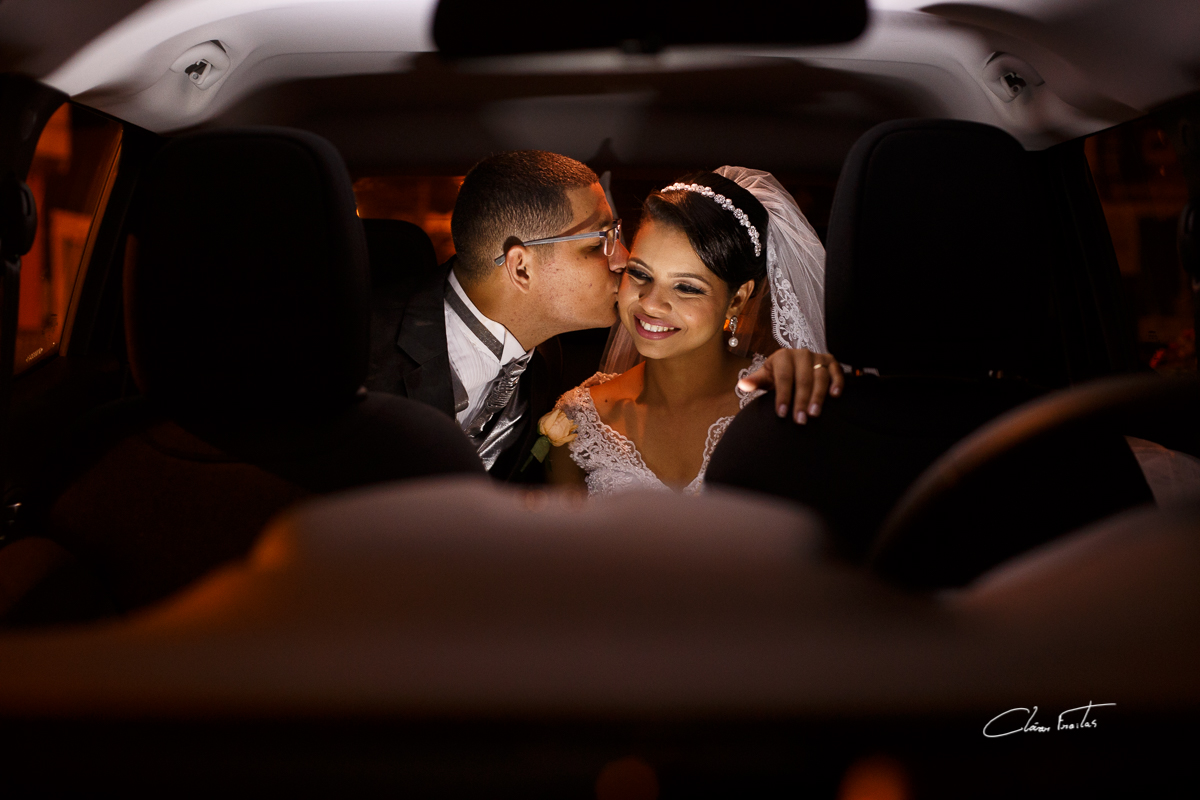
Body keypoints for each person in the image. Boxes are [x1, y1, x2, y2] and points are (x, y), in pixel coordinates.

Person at [368, 152, 839, 481]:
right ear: (521, 267)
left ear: (738, 300)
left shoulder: (545, 367)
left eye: (687, 286)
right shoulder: (357, 353)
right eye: (600, 243)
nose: (623, 261)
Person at [549, 167, 836, 495]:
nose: (651, 304)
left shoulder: (786, 398)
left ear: (737, 300)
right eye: (640, 274)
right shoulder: (577, 421)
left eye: (686, 287)